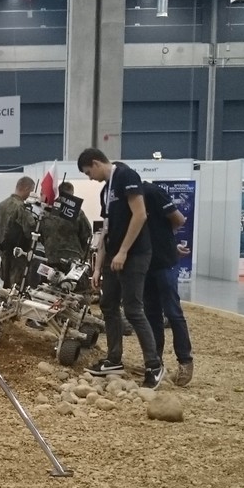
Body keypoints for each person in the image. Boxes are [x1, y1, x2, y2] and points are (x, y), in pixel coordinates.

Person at [77, 148, 161, 387]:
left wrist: (124, 251)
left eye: (88, 172)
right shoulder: (106, 191)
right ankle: (114, 359)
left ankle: (154, 365)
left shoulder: (126, 175)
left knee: (133, 309)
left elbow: (140, 215)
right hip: (113, 256)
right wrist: (97, 267)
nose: (90, 178)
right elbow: (105, 230)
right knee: (108, 304)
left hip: (135, 254)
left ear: (96, 163)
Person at [139, 181, 194, 387]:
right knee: (152, 314)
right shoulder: (123, 197)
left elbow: (178, 219)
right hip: (146, 264)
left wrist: (167, 243)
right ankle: (156, 362)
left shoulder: (152, 192)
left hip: (164, 263)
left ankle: (185, 360)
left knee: (172, 312)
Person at [0, 177, 36, 289]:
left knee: (6, 285)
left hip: (4, 252)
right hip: (18, 255)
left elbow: (0, 228)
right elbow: (30, 231)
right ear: (26, 188)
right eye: (31, 190)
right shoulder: (21, 207)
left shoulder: (1, 205)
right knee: (17, 288)